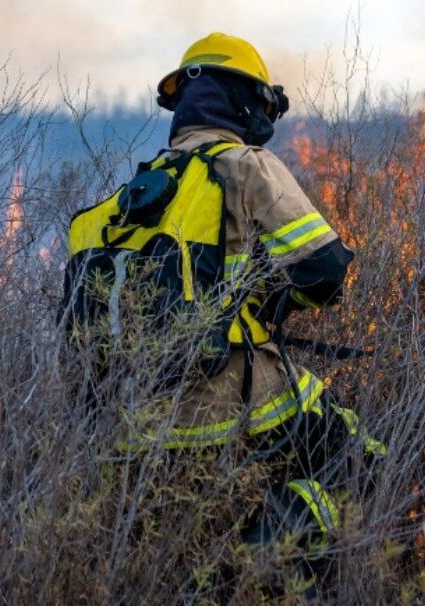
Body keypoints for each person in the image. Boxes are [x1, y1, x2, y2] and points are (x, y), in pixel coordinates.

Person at [61, 32, 384, 591]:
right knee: (361, 459)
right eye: (260, 102)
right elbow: (326, 270)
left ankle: (227, 568)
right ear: (240, 100)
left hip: (135, 429)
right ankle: (269, 565)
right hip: (236, 401)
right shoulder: (244, 165)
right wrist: (286, 300)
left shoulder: (128, 200)